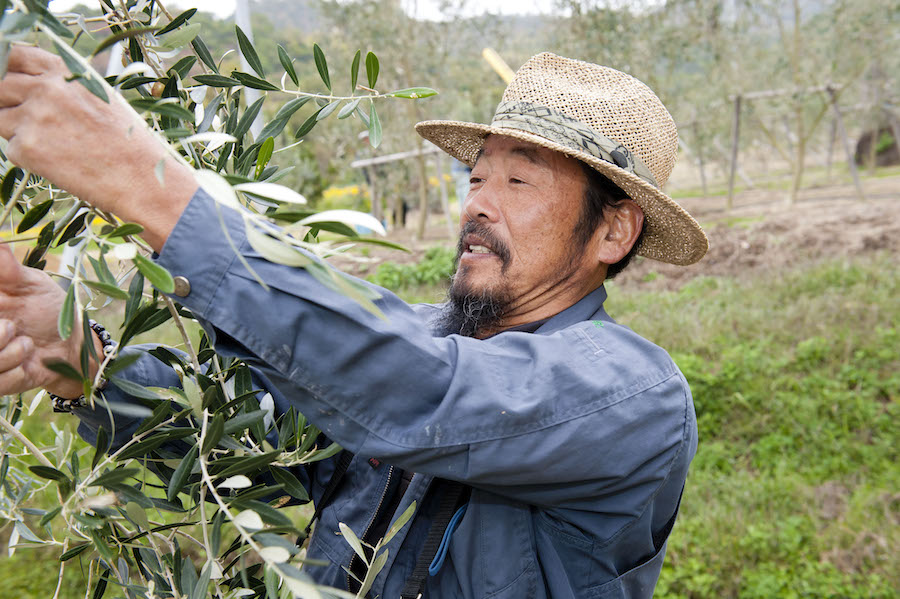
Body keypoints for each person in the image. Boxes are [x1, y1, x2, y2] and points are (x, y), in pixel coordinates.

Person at [0, 48, 708, 598]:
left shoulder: (635, 398)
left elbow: (412, 391)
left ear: (614, 231)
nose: (478, 205)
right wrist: (83, 359)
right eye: (477, 178)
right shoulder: (425, 339)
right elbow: (254, 442)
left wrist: (143, 183)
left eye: (518, 181)